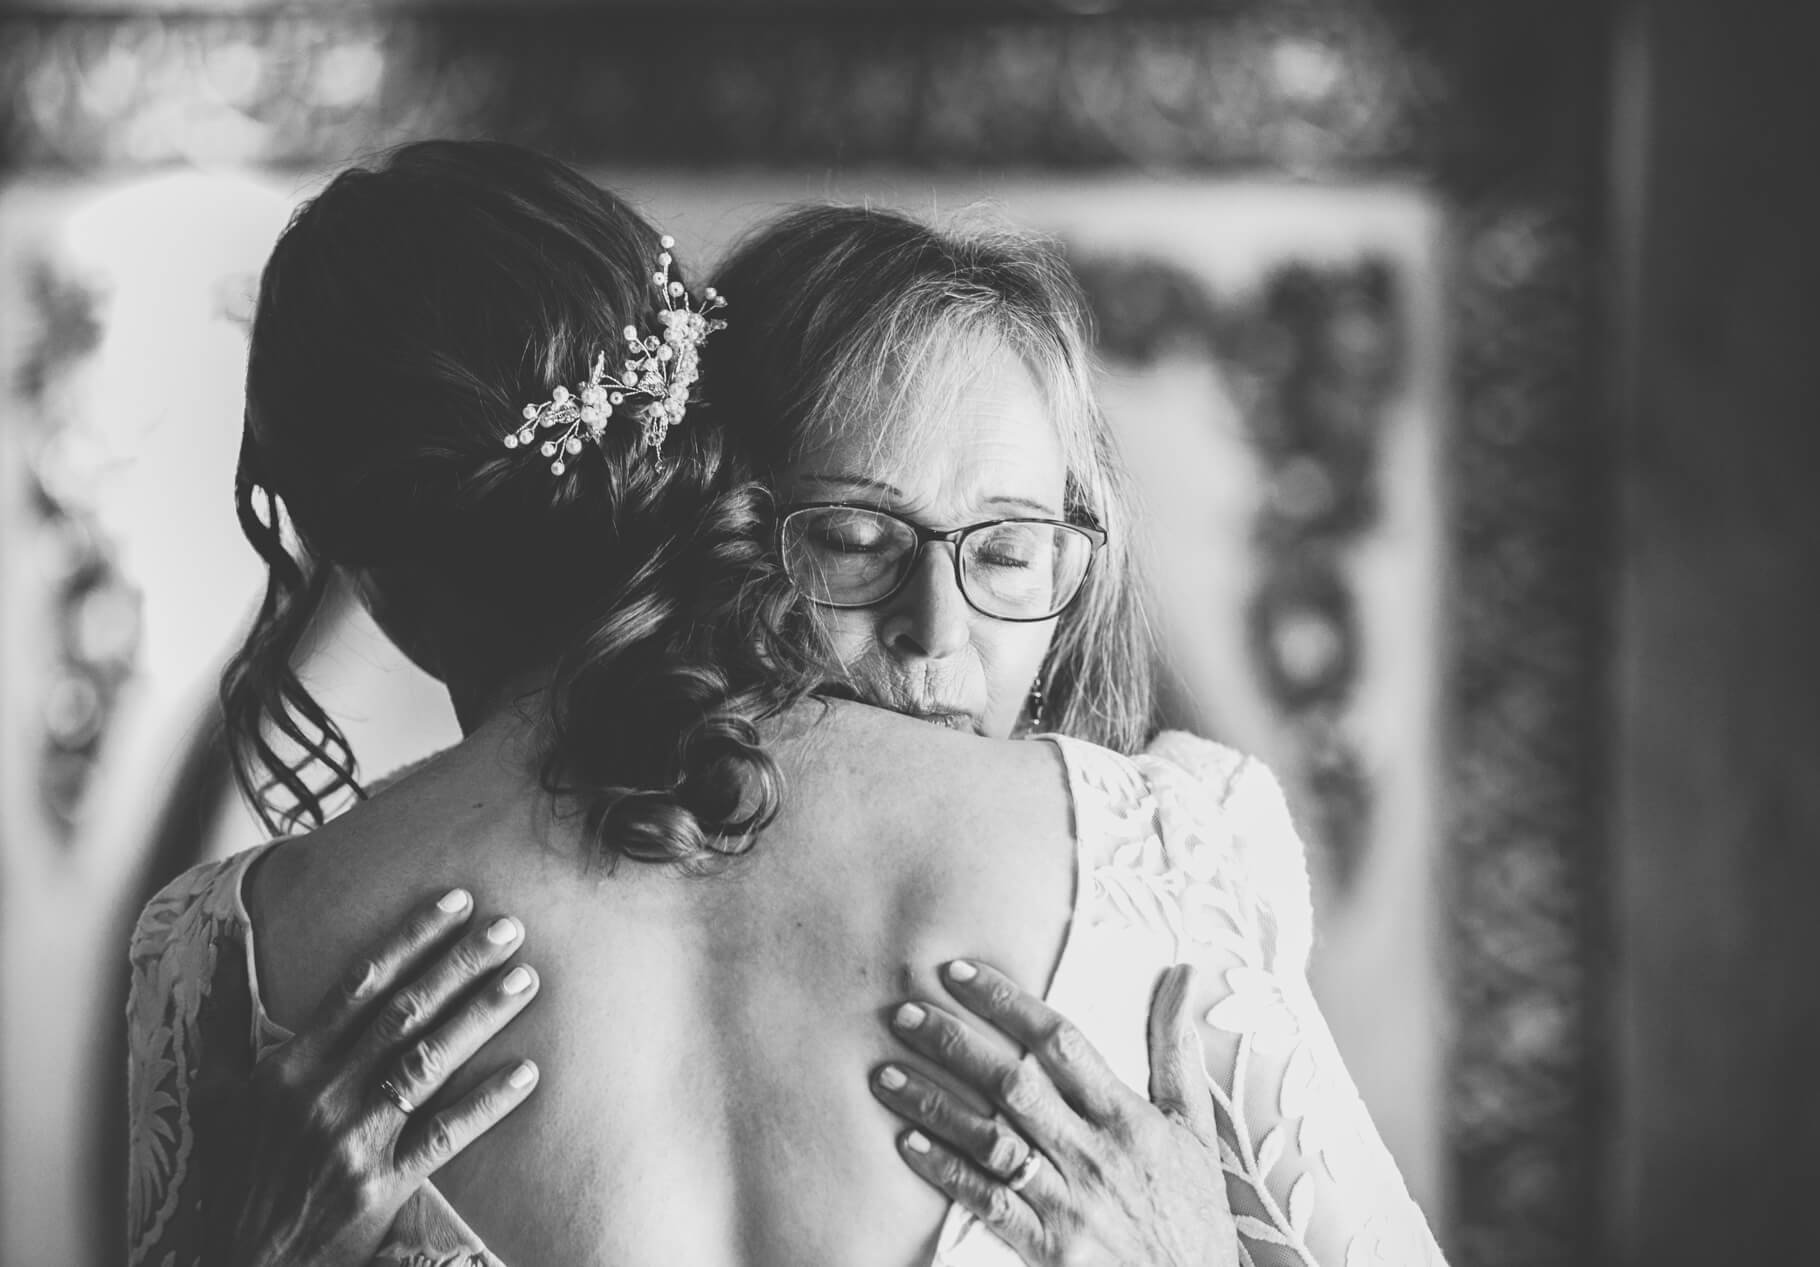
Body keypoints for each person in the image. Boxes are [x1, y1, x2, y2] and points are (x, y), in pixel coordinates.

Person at [128, 141, 1442, 1266]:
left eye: (1009, 546)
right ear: (724, 489)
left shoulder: (238, 948)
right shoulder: (1157, 848)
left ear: (355, 555)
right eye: (861, 537)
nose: (939, 634)